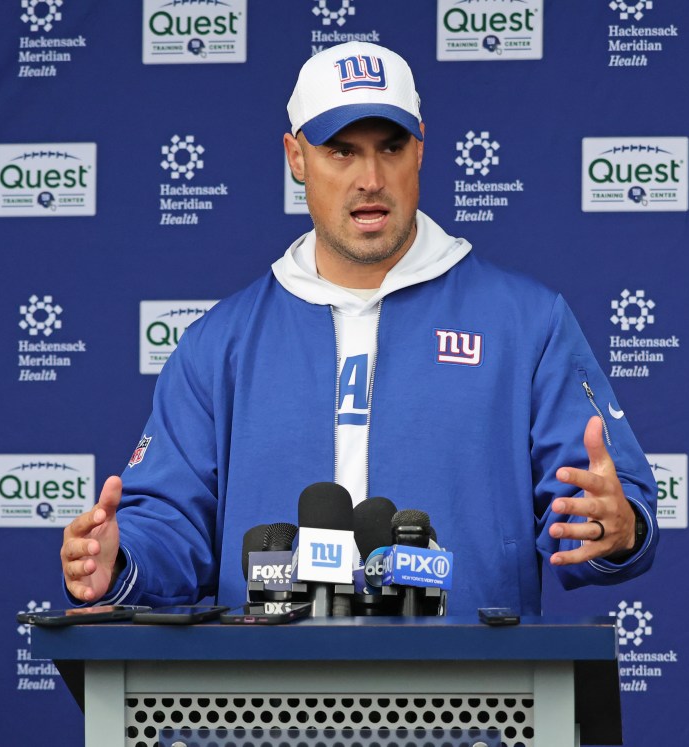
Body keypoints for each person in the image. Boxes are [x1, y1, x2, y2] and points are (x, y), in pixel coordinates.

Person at [60, 42, 657, 615]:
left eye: (390, 148)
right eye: (341, 151)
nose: (370, 178)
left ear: (420, 151)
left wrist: (614, 523)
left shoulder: (526, 322)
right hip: (267, 703)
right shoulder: (220, 345)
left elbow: (597, 500)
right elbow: (169, 524)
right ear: (297, 157)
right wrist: (118, 560)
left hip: (470, 696)